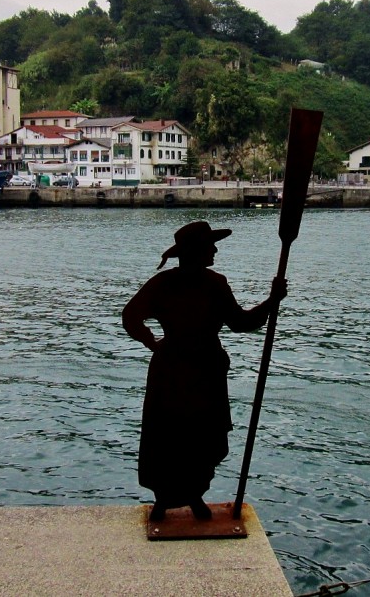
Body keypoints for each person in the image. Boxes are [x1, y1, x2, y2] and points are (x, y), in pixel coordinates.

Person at [123, 221, 287, 522]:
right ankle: (171, 499)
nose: (214, 249)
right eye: (209, 245)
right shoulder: (211, 283)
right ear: (196, 251)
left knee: (179, 434)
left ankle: (188, 497)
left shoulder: (169, 283)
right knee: (184, 434)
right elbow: (241, 323)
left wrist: (154, 344)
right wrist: (271, 301)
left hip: (179, 367)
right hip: (194, 370)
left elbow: (131, 317)